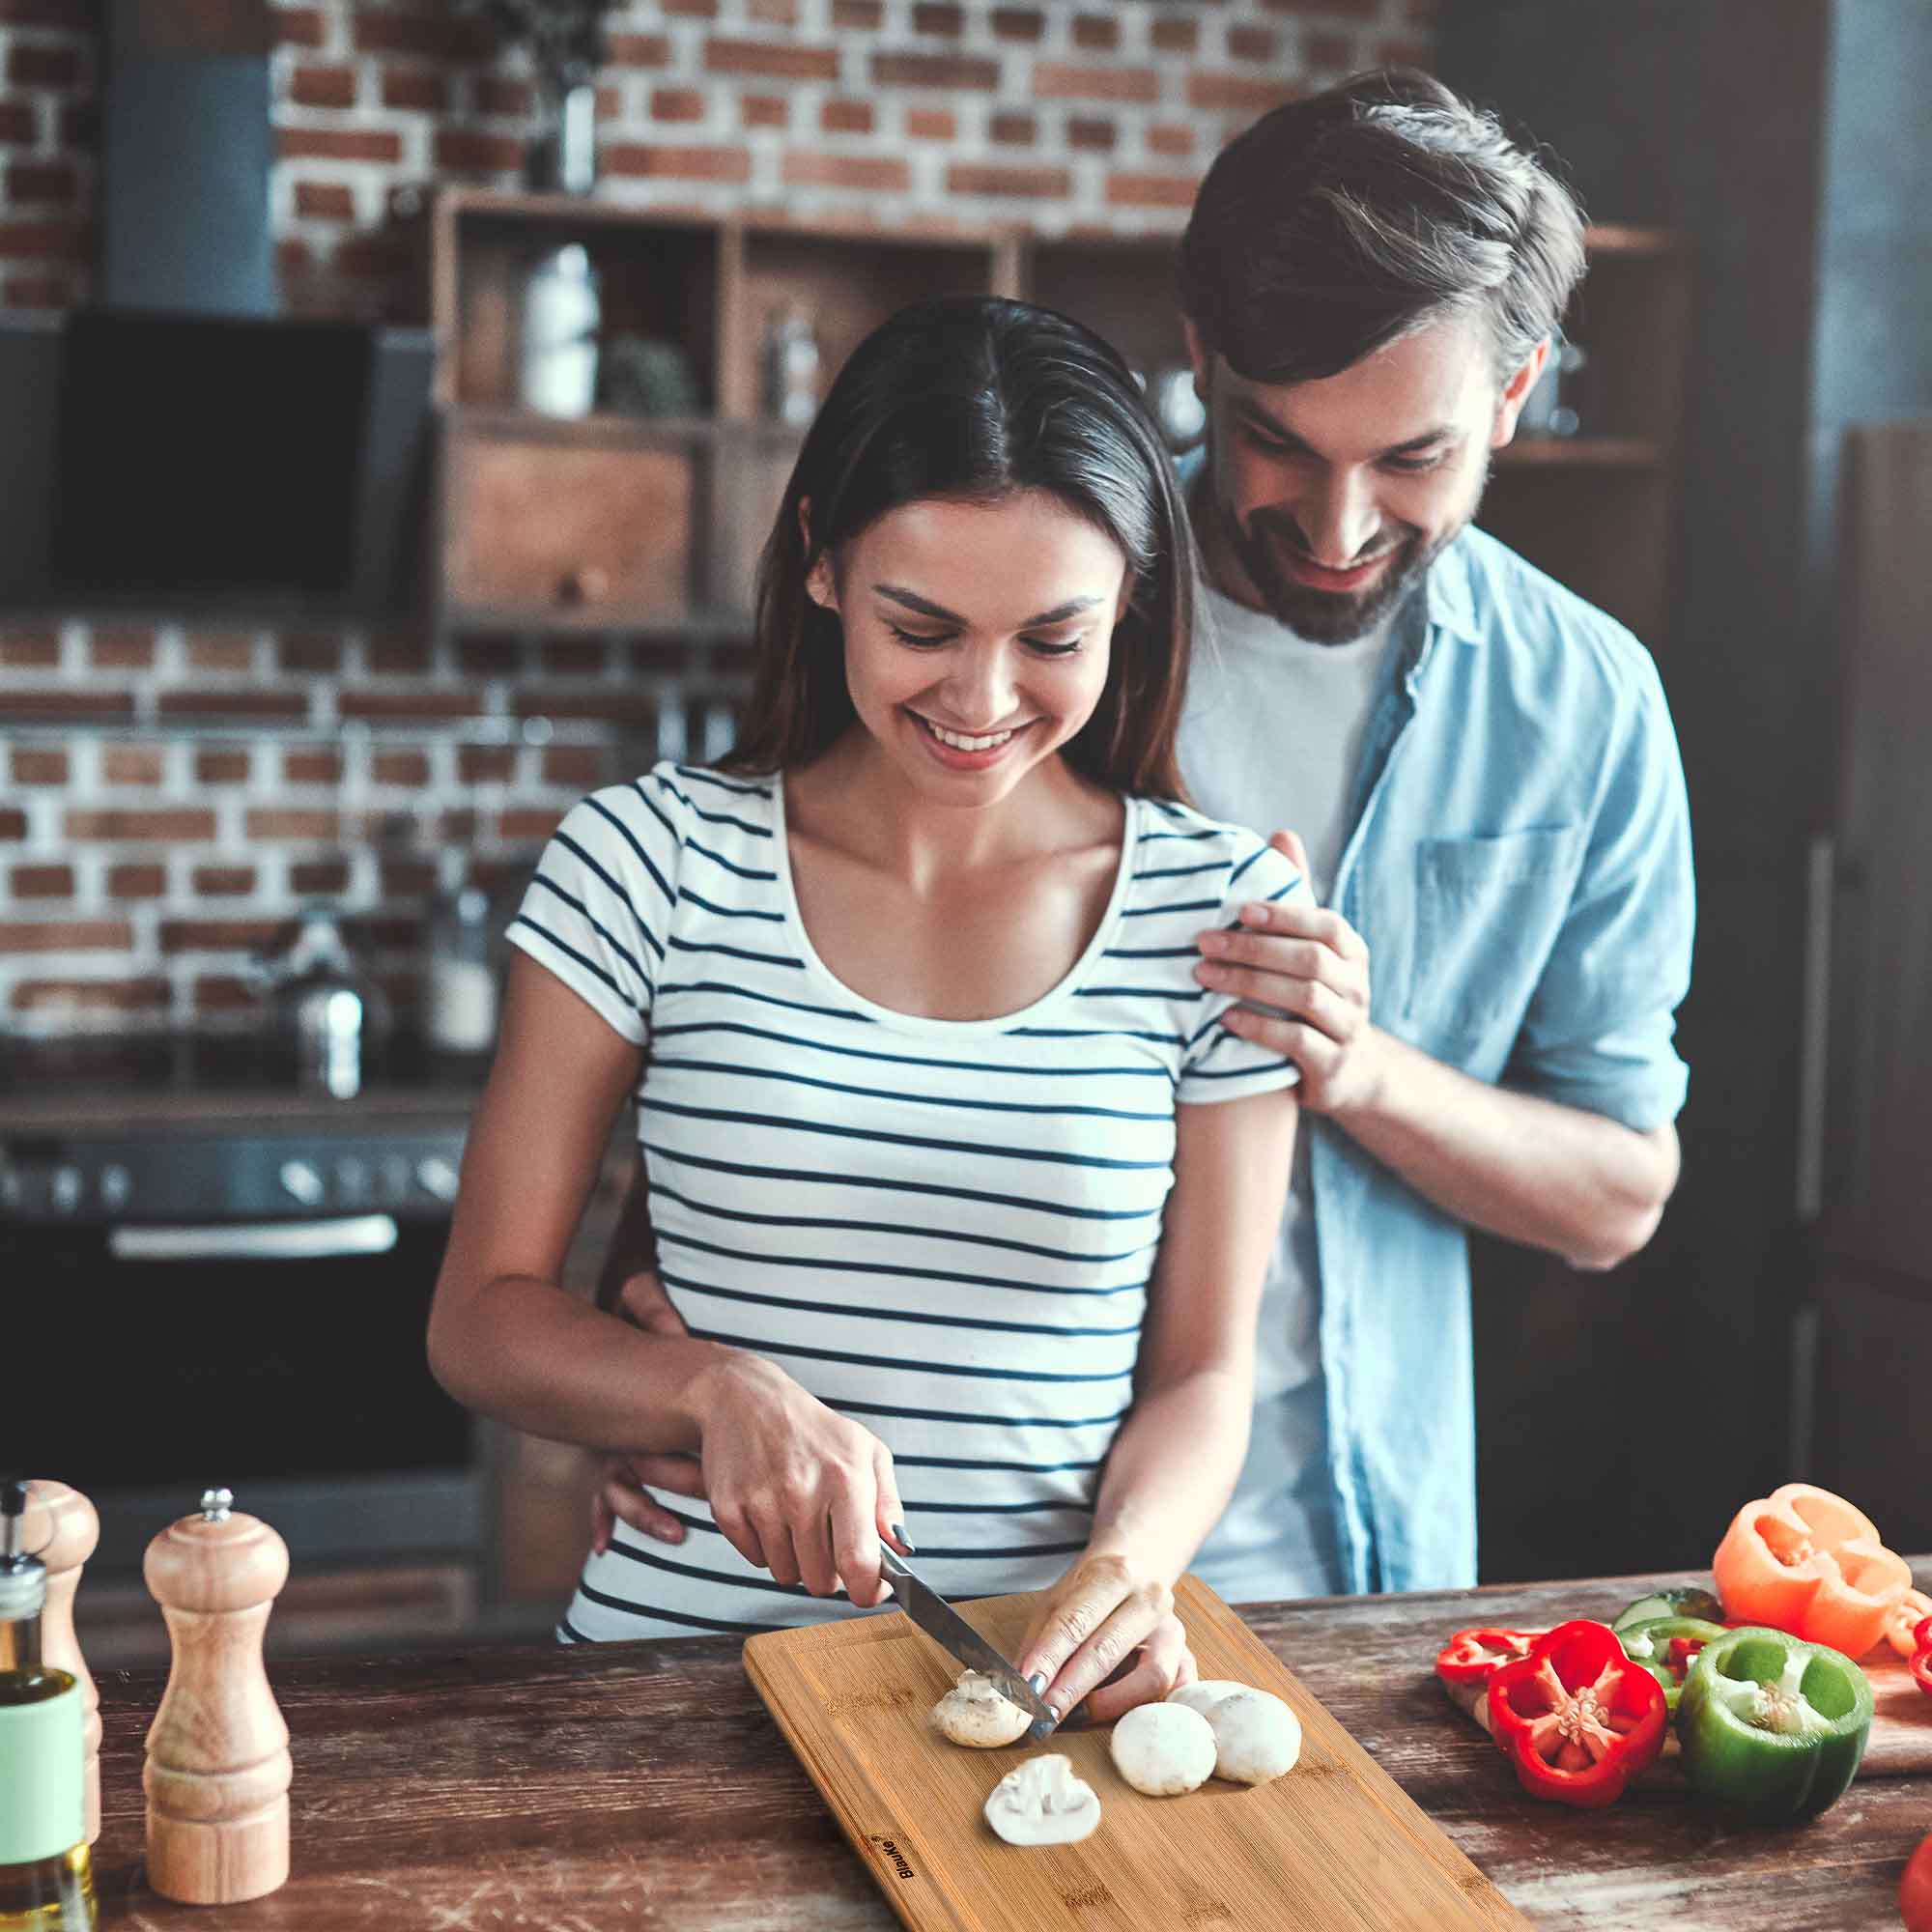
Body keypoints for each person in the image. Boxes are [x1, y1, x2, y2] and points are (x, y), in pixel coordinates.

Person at [589, 68, 1696, 1612]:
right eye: (1279, 445)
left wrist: (1355, 1065)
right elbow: (764, 983)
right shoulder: (1018, 598)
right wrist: (655, 1364)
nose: (1336, 524)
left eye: (1413, 461)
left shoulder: (1584, 704)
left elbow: (1620, 1192)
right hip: (915, 1564)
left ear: (1511, 396)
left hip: (1341, 1545)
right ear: (1199, 358)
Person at [427, 295, 1307, 1724]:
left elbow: (1206, 1373)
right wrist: (709, 1392)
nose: (982, 696)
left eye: (1051, 638)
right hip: (674, 1685)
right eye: (925, 625)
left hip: (1031, 1692)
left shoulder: (1218, 918)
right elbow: (479, 1319)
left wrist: (1131, 1573)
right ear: (825, 563)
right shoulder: (646, 863)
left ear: (1132, 601)